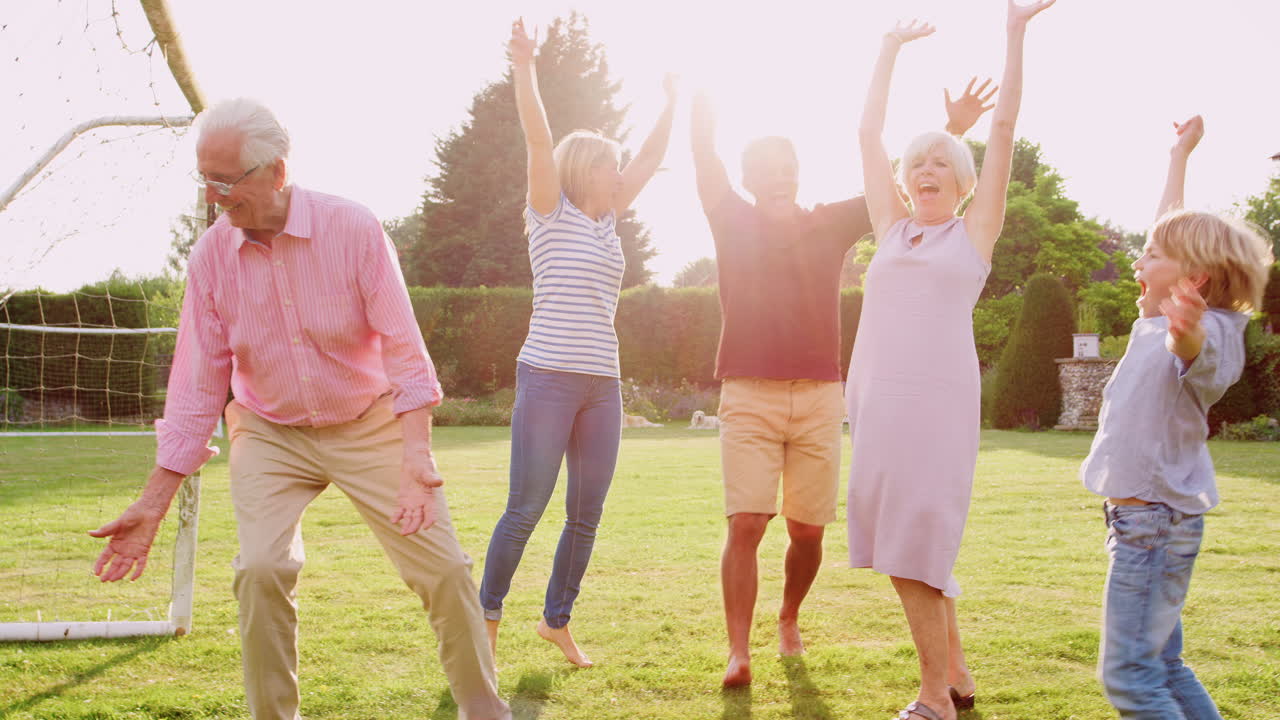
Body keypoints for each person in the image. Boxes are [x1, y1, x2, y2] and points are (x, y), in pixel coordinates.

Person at [88, 98, 510, 720]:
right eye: (205, 179)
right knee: (260, 569)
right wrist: (152, 503)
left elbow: (403, 346)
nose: (213, 196)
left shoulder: (353, 228)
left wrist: (416, 454)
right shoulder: (210, 258)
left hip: (369, 421)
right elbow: (197, 384)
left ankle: (485, 711)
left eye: (226, 180)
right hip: (270, 430)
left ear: (278, 172)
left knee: (445, 569)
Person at [690, 74, 991, 688]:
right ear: (749, 180)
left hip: (820, 395)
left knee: (806, 530)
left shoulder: (828, 222)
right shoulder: (730, 216)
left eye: (788, 169)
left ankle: (789, 617)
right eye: (767, 171)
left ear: (799, 175)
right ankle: (738, 651)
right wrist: (696, 103)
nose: (780, 178)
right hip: (748, 392)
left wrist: (952, 131)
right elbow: (704, 159)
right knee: (746, 521)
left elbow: (900, 183)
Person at [848, 3, 1055, 718]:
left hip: (935, 411)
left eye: (942, 162)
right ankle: (957, 677)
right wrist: (887, 48)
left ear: (965, 183)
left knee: (915, 547)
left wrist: (1014, 32)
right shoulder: (888, 228)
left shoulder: (973, 234)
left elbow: (1004, 127)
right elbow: (868, 133)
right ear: (904, 182)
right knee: (908, 546)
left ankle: (934, 697)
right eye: (917, 164)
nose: (926, 169)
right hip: (877, 409)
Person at [478, 18, 676, 669]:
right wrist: (525, 67)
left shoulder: (609, 222)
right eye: (610, 164)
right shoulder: (548, 210)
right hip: (548, 377)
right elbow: (539, 138)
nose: (620, 173)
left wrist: (672, 103)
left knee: (586, 514)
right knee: (526, 508)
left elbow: (649, 160)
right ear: (586, 169)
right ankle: (486, 619)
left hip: (601, 385)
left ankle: (556, 621)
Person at [1082, 115, 1272, 719]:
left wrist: (1185, 329)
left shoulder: (1207, 331)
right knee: (1162, 666)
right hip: (1145, 520)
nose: (1139, 260)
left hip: (1153, 524)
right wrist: (1178, 155)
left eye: (1151, 255)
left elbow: (1195, 353)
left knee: (1131, 681)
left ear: (1193, 279)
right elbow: (1169, 226)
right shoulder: (1159, 315)